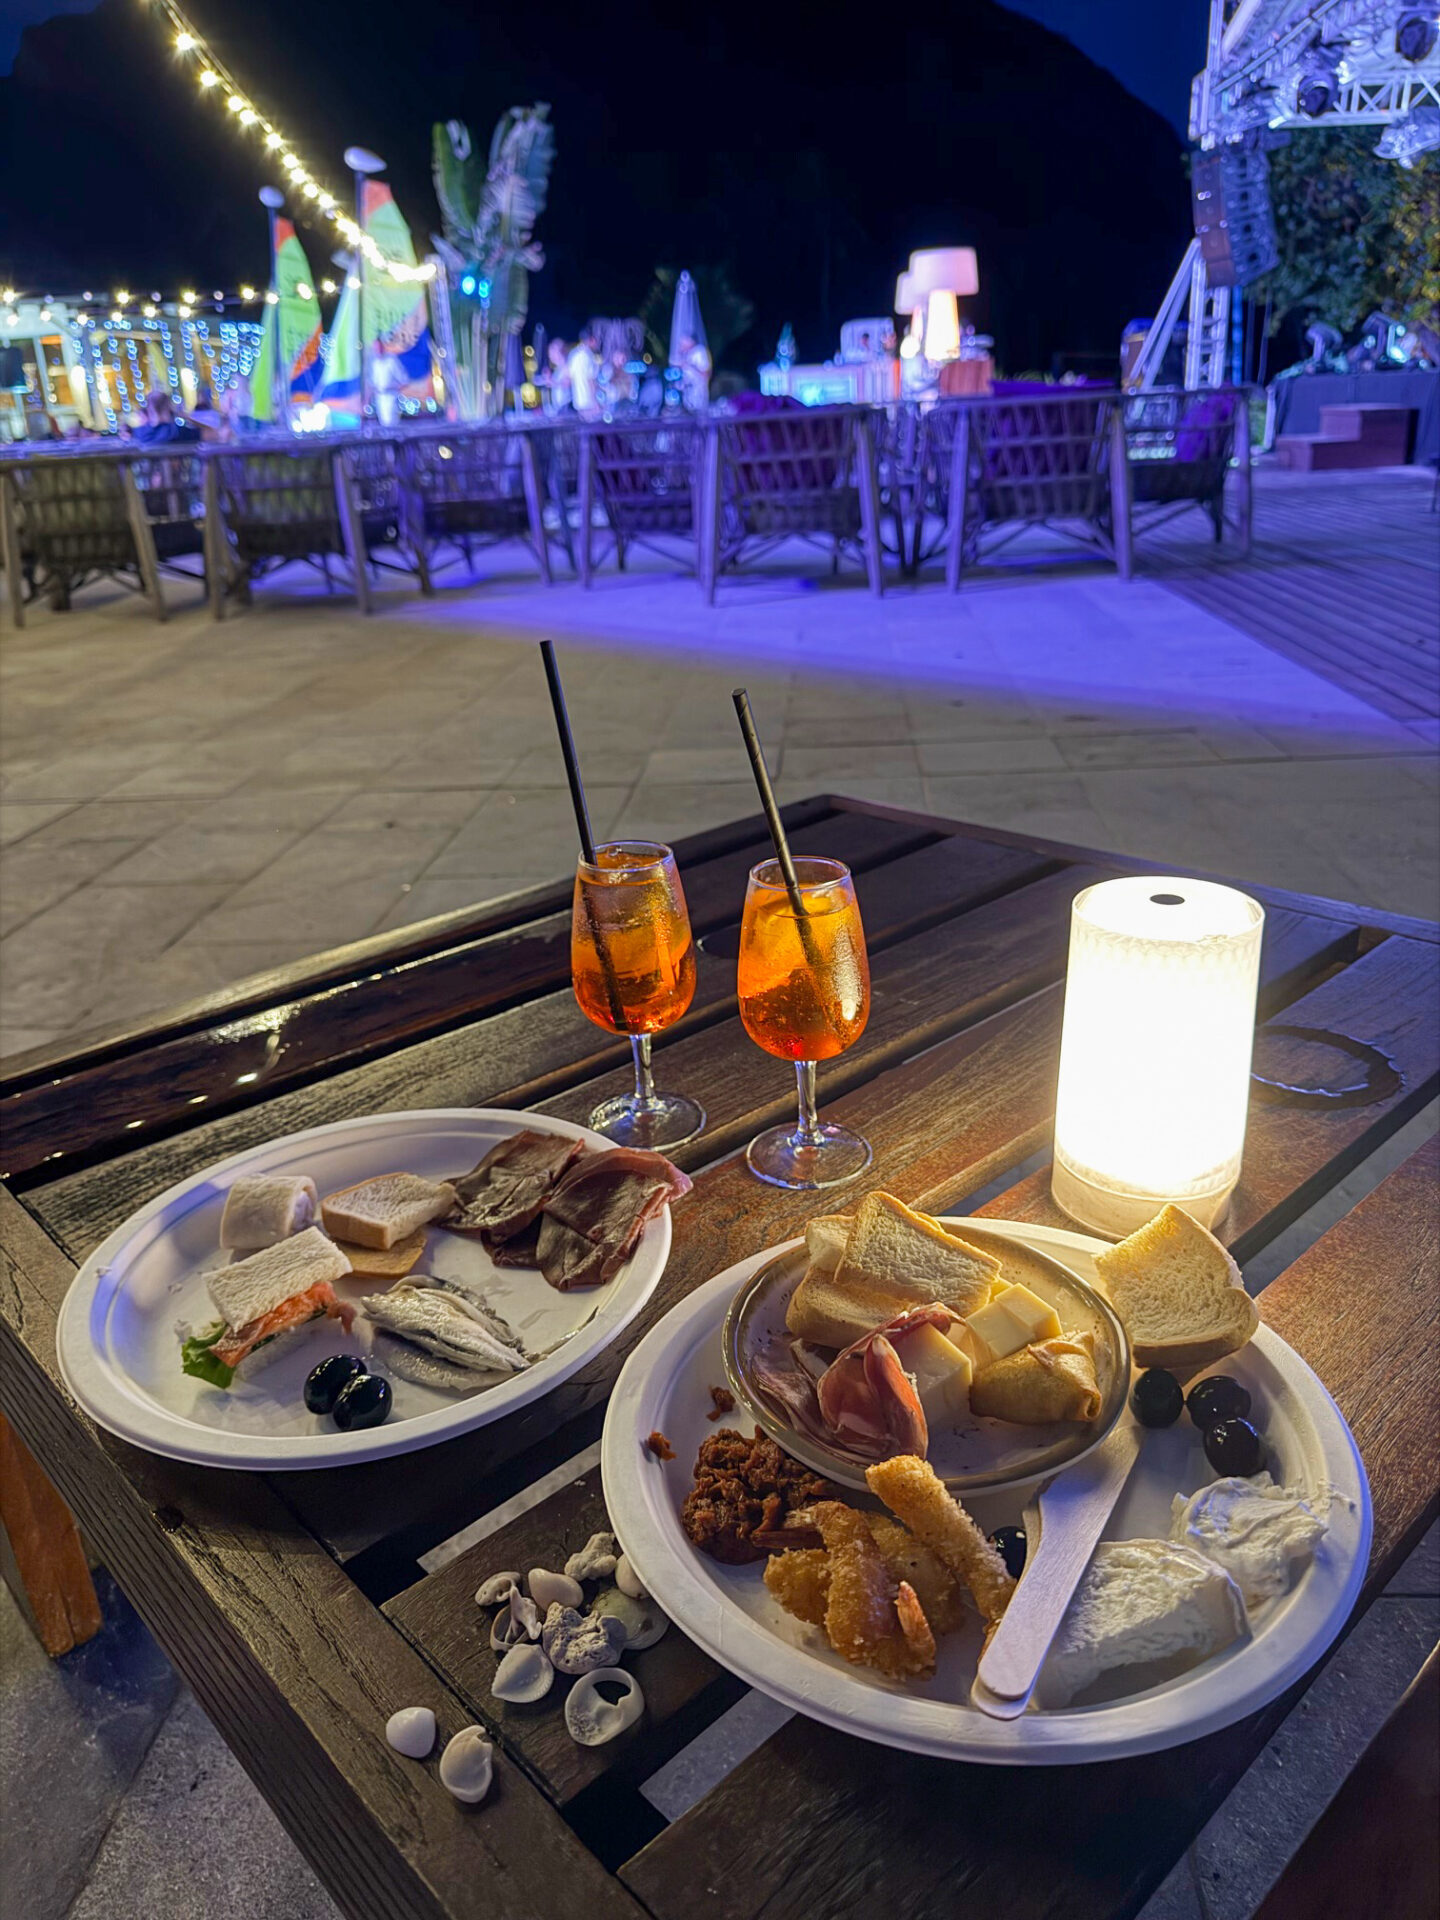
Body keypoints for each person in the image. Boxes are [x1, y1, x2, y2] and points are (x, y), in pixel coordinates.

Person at [131, 390, 200, 447]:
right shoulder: (177, 432)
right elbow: (205, 433)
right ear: (168, 407)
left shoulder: (138, 433)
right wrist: (187, 417)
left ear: (149, 409)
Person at [567, 327, 601, 417]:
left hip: (578, 401)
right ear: (592, 340)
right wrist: (595, 402)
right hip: (589, 401)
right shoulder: (589, 356)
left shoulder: (573, 354)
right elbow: (590, 380)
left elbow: (570, 376)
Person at [677, 331, 711, 411]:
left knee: (698, 412)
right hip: (688, 391)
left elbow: (704, 372)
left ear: (691, 341)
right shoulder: (688, 353)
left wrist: (688, 365)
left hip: (697, 391)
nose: (681, 343)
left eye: (684, 340)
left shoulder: (699, 351)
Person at [542, 338, 572, 411]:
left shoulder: (566, 366)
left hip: (566, 404)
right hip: (560, 405)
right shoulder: (559, 368)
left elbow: (567, 384)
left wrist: (550, 381)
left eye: (552, 352)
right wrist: (549, 378)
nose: (550, 356)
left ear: (560, 352)